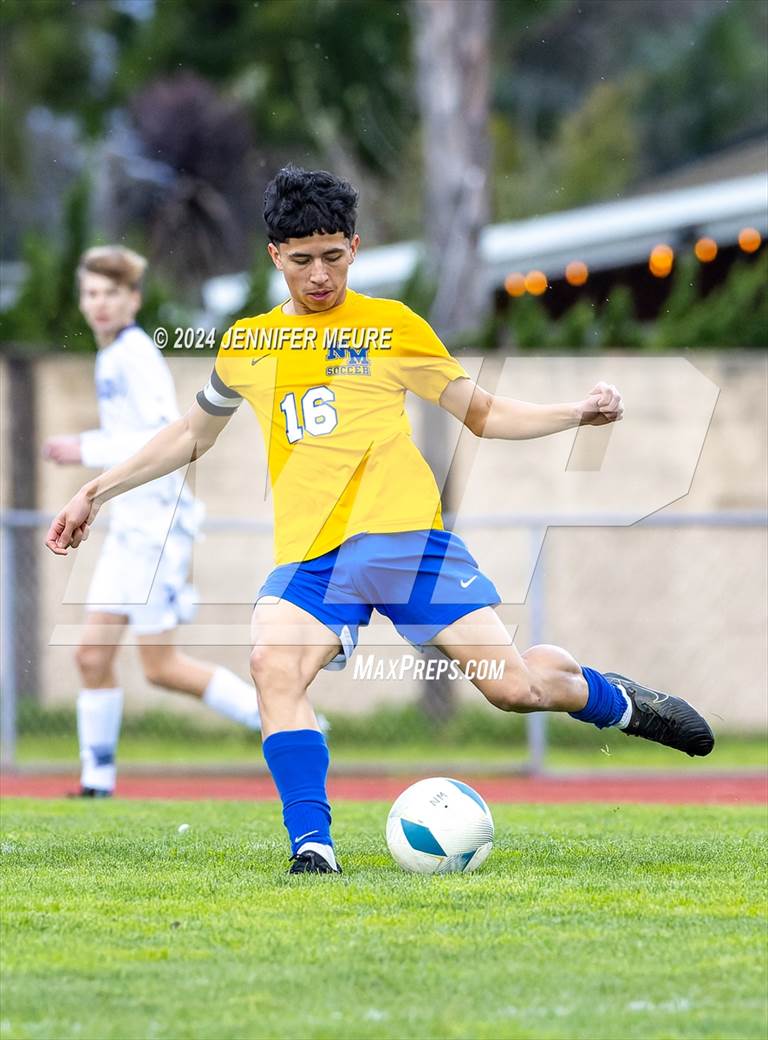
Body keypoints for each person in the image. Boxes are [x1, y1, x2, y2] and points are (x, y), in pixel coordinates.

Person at [46, 170, 714, 866]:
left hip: (407, 544)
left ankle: (613, 698)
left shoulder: (391, 326)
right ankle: (313, 846)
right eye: (302, 260)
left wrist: (575, 413)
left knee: (513, 688)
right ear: (274, 256)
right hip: (313, 559)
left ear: (355, 247)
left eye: (333, 256)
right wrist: (95, 492)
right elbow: (190, 434)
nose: (319, 275)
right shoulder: (248, 343)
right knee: (272, 663)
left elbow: (483, 414)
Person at [43, 246, 261, 798]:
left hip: (156, 530)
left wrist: (85, 446)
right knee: (91, 655)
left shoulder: (135, 353)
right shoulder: (111, 356)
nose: (99, 303)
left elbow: (167, 431)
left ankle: (290, 723)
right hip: (129, 530)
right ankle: (96, 783)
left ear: (133, 300)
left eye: (111, 293)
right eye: (91, 293)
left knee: (161, 666)